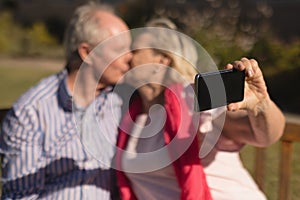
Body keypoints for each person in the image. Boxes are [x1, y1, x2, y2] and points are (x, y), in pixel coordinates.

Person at [115, 18, 285, 200]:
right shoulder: (132, 115)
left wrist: (261, 106)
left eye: (134, 50)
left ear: (162, 60)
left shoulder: (193, 100)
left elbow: (263, 135)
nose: (126, 56)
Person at [0, 2, 132, 199]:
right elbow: (21, 195)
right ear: (86, 52)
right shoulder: (31, 112)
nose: (130, 57)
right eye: (119, 49)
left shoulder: (122, 100)